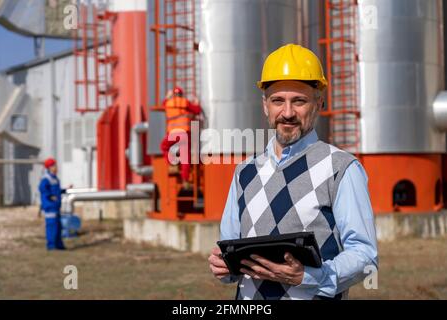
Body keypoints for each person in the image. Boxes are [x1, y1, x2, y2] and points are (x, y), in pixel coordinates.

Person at [208, 44, 378, 300]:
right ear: (265, 105)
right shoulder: (245, 172)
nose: (287, 113)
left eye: (299, 101)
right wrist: (224, 267)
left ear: (318, 103)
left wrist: (311, 277)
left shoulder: (341, 168)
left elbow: (365, 255)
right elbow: (230, 249)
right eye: (278, 100)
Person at [160, 86, 202, 190]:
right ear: (181, 94)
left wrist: (167, 97)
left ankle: (172, 165)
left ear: (173, 95)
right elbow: (197, 110)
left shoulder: (168, 103)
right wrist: (197, 103)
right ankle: (185, 180)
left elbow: (163, 104)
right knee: (185, 157)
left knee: (164, 147)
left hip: (172, 134)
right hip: (184, 133)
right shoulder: (185, 102)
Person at [38, 158, 67, 250]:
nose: (56, 167)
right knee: (51, 226)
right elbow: (42, 189)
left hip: (56, 206)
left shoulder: (55, 179)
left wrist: (65, 190)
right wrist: (50, 196)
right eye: (54, 166)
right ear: (49, 168)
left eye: (56, 165)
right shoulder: (46, 179)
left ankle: (59, 245)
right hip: (50, 206)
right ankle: (51, 245)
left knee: (58, 226)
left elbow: (57, 191)